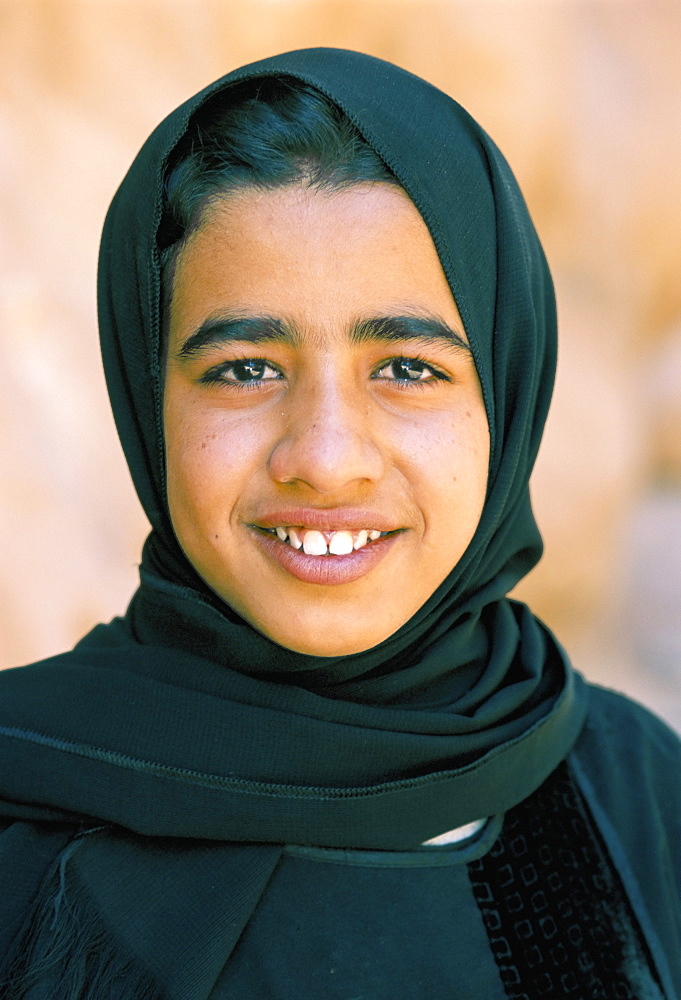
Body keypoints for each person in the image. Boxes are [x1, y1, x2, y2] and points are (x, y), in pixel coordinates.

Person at [0, 48, 678, 1000]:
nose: (323, 458)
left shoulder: (638, 798)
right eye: (244, 369)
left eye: (407, 367)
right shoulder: (24, 813)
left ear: (508, 393)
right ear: (148, 400)